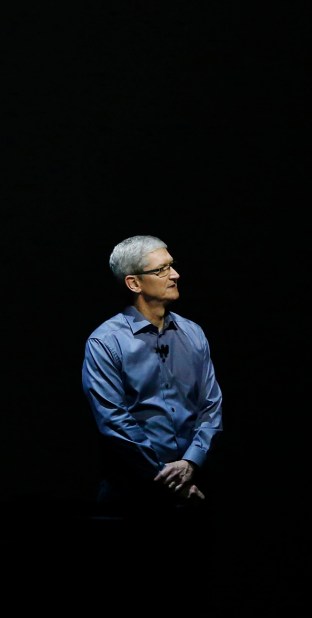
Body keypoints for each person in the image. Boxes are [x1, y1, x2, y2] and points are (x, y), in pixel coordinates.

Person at [80, 234, 223, 583]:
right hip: (132, 500)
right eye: (163, 269)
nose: (175, 275)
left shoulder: (193, 333)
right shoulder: (105, 341)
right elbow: (114, 422)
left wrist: (191, 462)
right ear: (134, 283)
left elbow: (211, 406)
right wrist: (171, 481)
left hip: (195, 494)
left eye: (172, 265)